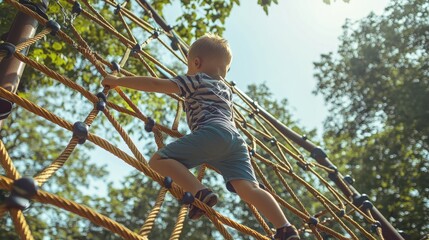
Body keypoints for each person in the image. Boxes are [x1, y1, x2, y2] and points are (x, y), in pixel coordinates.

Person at [102, 33, 300, 240]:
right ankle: (285, 228)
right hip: (235, 141)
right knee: (250, 189)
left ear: (196, 62)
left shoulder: (195, 80)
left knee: (158, 160)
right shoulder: (225, 89)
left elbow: (156, 85)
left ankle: (200, 193)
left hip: (212, 133)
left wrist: (119, 81)